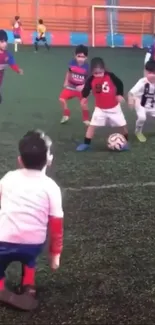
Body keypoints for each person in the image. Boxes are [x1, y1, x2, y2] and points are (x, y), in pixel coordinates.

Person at [0, 130, 64, 310]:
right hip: (32, 244)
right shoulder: (51, 187)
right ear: (49, 160)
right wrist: (55, 255)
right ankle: (29, 287)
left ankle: (0, 288)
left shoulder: (8, 178)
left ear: (20, 160)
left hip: (2, 241)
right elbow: (56, 225)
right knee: (29, 261)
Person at [76, 57, 129, 151]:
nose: (98, 75)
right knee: (92, 126)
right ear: (92, 72)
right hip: (100, 108)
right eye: (96, 73)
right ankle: (86, 143)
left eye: (100, 72)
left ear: (104, 69)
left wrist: (119, 94)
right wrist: (84, 97)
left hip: (114, 108)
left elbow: (119, 83)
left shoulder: (110, 76)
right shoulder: (91, 79)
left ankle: (125, 142)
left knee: (122, 126)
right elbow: (87, 88)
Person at [59, 44, 89, 125]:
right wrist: (66, 81)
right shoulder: (72, 63)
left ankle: (86, 119)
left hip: (81, 89)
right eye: (79, 56)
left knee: (84, 104)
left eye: (83, 57)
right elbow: (69, 72)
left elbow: (90, 79)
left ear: (86, 57)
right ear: (75, 56)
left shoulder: (87, 67)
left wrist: (83, 86)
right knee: (61, 99)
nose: (80, 59)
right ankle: (66, 114)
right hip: (71, 87)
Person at [128, 60, 155, 142]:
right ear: (145, 72)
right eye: (149, 73)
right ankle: (138, 132)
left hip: (152, 105)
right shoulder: (142, 82)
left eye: (154, 73)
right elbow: (131, 92)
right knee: (142, 117)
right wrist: (131, 100)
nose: (151, 75)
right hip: (141, 104)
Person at [0, 29, 23, 104]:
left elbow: (12, 63)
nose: (5, 44)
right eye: (2, 42)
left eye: (6, 41)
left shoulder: (7, 55)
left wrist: (17, 70)